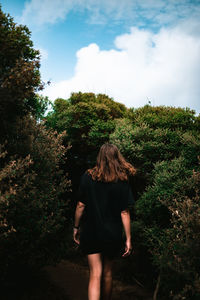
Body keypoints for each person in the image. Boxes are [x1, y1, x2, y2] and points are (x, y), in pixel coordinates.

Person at [73, 143, 136, 300]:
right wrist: (128, 239)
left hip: (91, 232)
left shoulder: (87, 176)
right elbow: (124, 212)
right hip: (112, 234)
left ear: (100, 157)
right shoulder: (122, 180)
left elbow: (80, 205)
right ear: (116, 158)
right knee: (108, 274)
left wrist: (75, 227)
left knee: (95, 274)